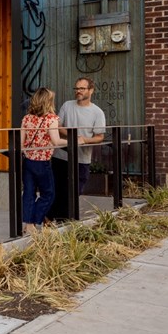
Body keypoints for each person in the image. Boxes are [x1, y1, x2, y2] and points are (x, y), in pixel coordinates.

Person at [49, 76, 106, 219]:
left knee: (75, 191)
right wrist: (73, 137)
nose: (78, 91)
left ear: (91, 90)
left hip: (82, 158)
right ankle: (60, 222)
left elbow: (100, 137)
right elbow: (58, 127)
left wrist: (84, 140)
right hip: (61, 156)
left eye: (82, 88)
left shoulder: (97, 112)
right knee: (58, 191)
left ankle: (58, 220)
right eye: (77, 88)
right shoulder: (67, 105)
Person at [20, 87, 67, 233]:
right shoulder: (51, 119)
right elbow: (56, 141)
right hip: (42, 162)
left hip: (28, 161)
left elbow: (21, 144)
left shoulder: (27, 118)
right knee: (48, 194)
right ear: (48, 102)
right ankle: (35, 220)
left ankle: (28, 225)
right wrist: (74, 141)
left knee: (28, 193)